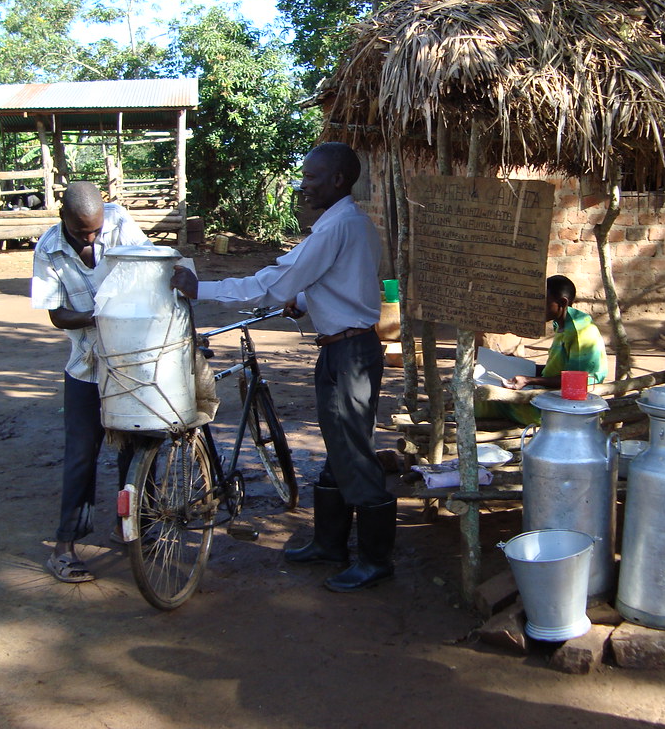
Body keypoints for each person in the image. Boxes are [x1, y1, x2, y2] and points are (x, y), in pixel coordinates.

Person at [170, 142, 394, 593]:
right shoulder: (353, 224)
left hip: (348, 354)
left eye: (311, 178)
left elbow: (271, 283)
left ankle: (375, 560)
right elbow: (347, 284)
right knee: (341, 447)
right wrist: (307, 302)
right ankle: (329, 544)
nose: (303, 185)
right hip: (347, 347)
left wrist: (202, 289)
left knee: (354, 453)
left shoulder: (334, 229)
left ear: (337, 180)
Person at [31, 181, 150, 582]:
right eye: (83, 232)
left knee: (133, 444)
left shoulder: (118, 221)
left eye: (96, 230)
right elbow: (57, 315)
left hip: (130, 358)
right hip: (85, 365)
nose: (92, 237)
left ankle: (126, 526)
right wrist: (99, 317)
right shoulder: (48, 250)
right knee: (81, 453)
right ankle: (64, 547)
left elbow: (147, 268)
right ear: (62, 217)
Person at [477, 275, 608, 426]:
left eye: (543, 303)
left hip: (571, 409)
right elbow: (559, 370)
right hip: (557, 394)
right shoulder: (562, 325)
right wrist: (516, 364)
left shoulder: (580, 334)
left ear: (562, 303)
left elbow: (577, 383)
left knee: (491, 401)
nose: (537, 309)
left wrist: (529, 380)